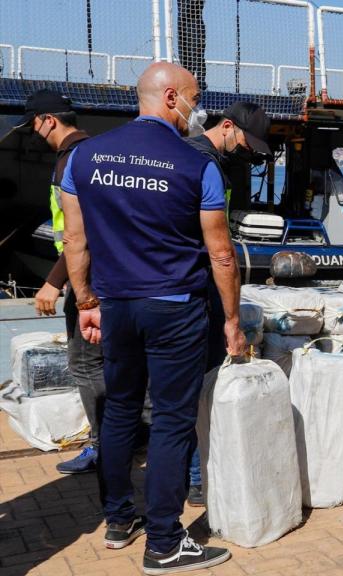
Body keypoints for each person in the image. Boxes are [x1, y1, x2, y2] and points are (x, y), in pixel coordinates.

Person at [60, 62, 241, 573]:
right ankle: (163, 541)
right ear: (171, 99)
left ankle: (119, 520)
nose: (195, 111)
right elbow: (221, 254)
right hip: (176, 309)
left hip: (115, 306)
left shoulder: (84, 157)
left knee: (118, 410)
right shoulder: (195, 165)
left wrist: (86, 302)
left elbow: (75, 239)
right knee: (171, 422)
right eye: (193, 98)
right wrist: (231, 320)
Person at [184, 101, 271, 507]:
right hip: (199, 290)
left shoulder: (198, 157)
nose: (246, 151)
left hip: (185, 286)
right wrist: (231, 317)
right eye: (245, 141)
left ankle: (193, 474)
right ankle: (200, 478)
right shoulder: (204, 163)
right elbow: (219, 251)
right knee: (202, 386)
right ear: (228, 126)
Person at [18, 90, 98, 474]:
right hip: (86, 274)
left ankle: (103, 445)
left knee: (86, 365)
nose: (33, 133)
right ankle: (119, 437)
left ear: (49, 119)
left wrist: (54, 282)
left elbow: (81, 233)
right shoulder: (87, 153)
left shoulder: (72, 160)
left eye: (33, 124)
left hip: (88, 281)